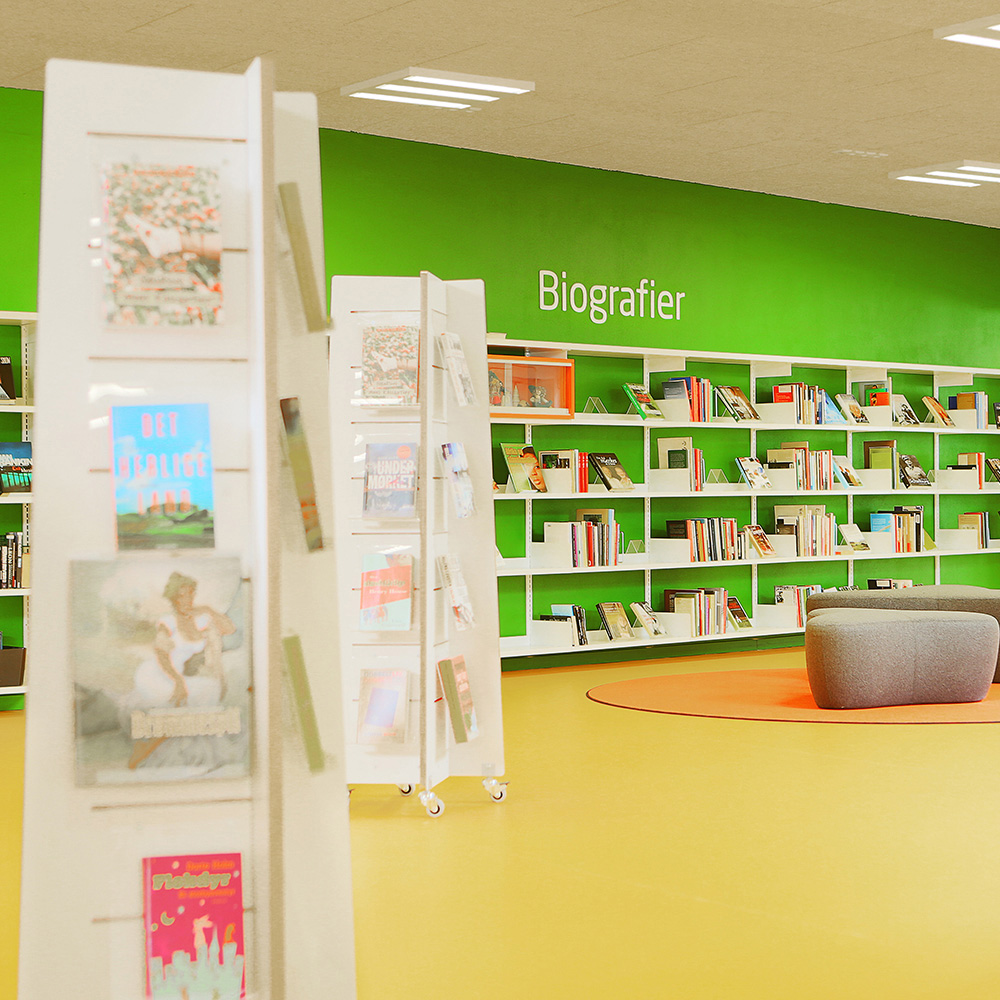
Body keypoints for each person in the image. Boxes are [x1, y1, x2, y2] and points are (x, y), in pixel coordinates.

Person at [123, 571, 236, 768]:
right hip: (158, 673)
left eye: (190, 594)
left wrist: (207, 608)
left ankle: (157, 745)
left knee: (210, 689)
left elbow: (229, 629)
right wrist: (177, 681)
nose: (187, 600)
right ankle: (146, 748)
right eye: (182, 595)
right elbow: (161, 654)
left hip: (178, 676)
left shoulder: (199, 619)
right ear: (174, 598)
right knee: (180, 703)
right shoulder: (168, 622)